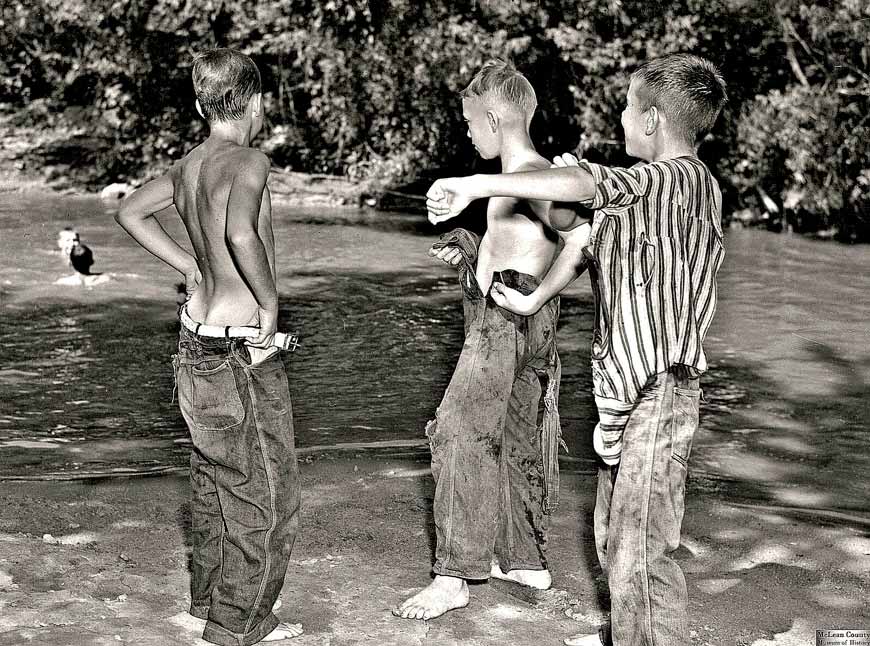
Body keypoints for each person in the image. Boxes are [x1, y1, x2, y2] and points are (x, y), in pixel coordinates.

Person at [423, 53, 728, 646]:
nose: (618, 113)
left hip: (660, 389)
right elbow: (579, 226)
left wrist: (474, 183)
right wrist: (531, 283)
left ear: (653, 122)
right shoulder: (653, 200)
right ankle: (626, 629)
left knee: (643, 544)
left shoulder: (679, 179)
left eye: (627, 106)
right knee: (615, 529)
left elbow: (589, 186)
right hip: (629, 387)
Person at [116, 48, 303, 645]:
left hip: (195, 343)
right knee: (266, 493)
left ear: (200, 105)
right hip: (241, 350)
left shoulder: (190, 165)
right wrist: (270, 307)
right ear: (258, 102)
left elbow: (130, 213)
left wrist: (190, 266)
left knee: (213, 484)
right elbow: (239, 231)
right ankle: (237, 626)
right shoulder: (250, 159)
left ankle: (210, 603)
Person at [393, 59, 590, 622]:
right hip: (529, 322)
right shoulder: (524, 180)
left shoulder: (535, 176)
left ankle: (453, 575)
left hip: (506, 320)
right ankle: (524, 559)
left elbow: (583, 238)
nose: (469, 133)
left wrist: (533, 294)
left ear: (494, 116)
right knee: (518, 435)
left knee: (457, 433)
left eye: (471, 122)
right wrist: (471, 247)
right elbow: (547, 242)